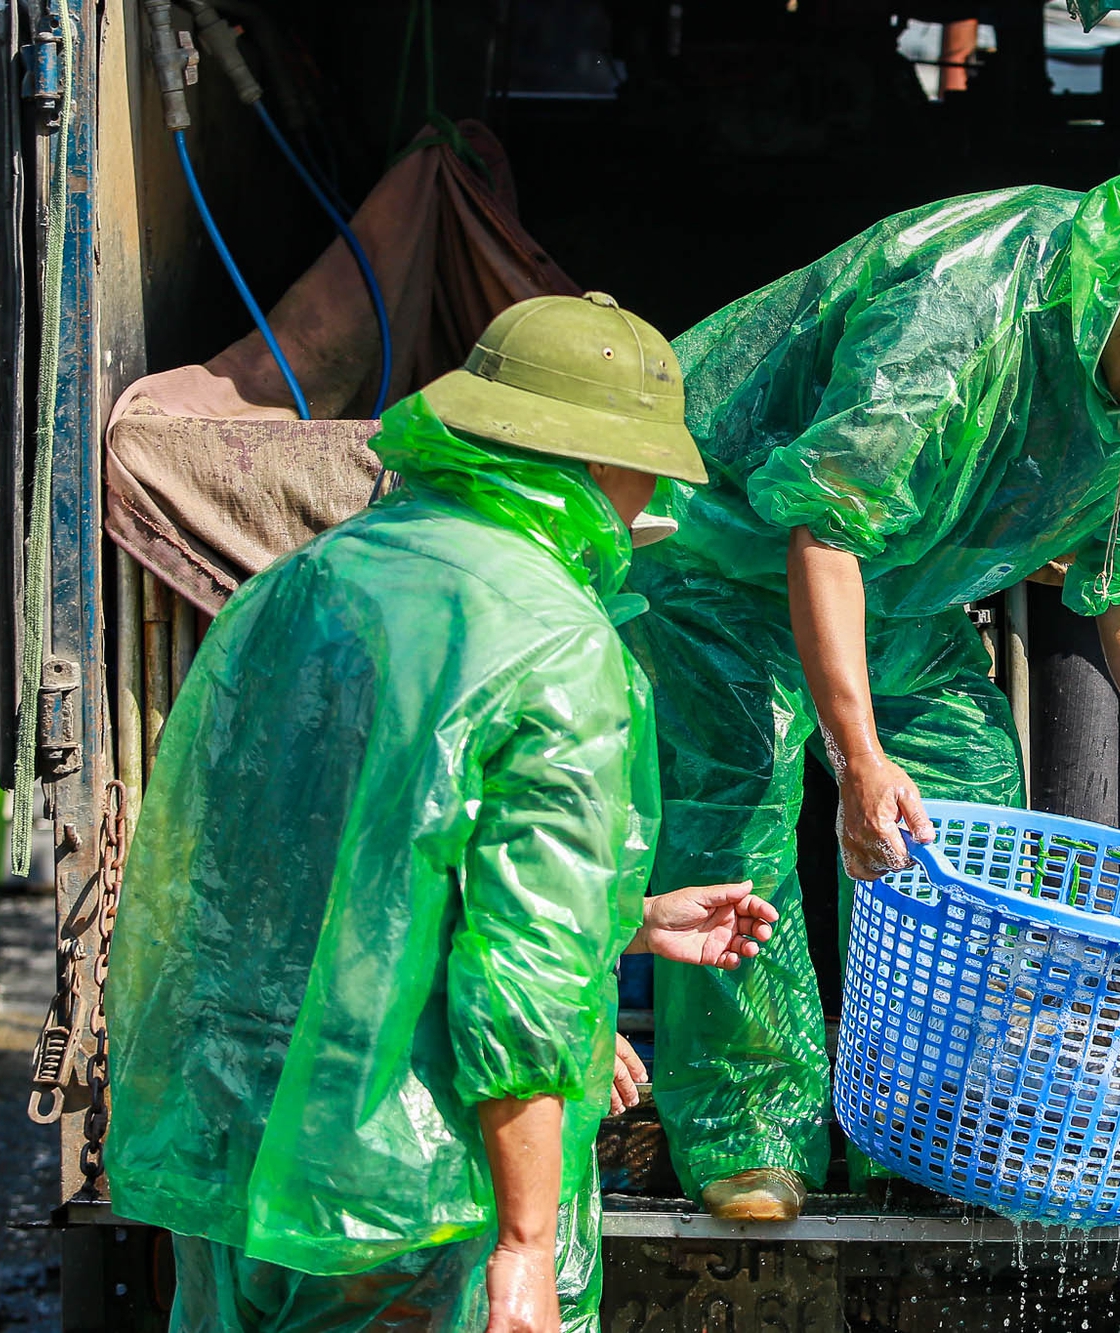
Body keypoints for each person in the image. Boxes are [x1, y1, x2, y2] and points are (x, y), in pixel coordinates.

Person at [624, 172, 1120, 1221]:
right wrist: (857, 757)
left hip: (898, 587)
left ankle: (910, 1126)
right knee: (737, 790)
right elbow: (826, 528)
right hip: (727, 547)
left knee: (966, 789)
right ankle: (747, 1133)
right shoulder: (964, 298)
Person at [106, 292, 779, 1333]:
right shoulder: (554, 639)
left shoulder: (308, 579)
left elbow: (332, 861)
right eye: (649, 464)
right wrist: (520, 1240)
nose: (656, 497)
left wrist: (623, 916)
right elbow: (523, 973)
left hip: (238, 1133)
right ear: (597, 464)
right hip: (404, 1186)